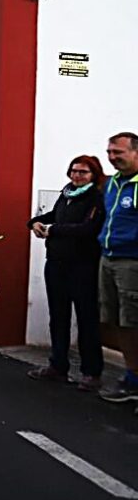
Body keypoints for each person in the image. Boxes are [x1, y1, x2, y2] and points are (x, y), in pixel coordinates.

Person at [26, 155, 105, 390]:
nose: (77, 176)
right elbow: (54, 216)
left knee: (86, 318)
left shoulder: (97, 198)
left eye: (83, 172)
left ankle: (91, 371)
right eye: (74, 171)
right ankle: (58, 365)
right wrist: (34, 222)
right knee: (58, 316)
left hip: (83, 265)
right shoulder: (67, 193)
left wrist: (53, 230)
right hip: (56, 262)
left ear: (93, 175)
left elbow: (88, 229)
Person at [97, 132, 138, 404]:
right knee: (119, 322)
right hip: (108, 258)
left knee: (134, 321)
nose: (112, 158)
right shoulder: (112, 183)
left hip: (131, 262)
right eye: (109, 153)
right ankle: (132, 378)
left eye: (118, 153)